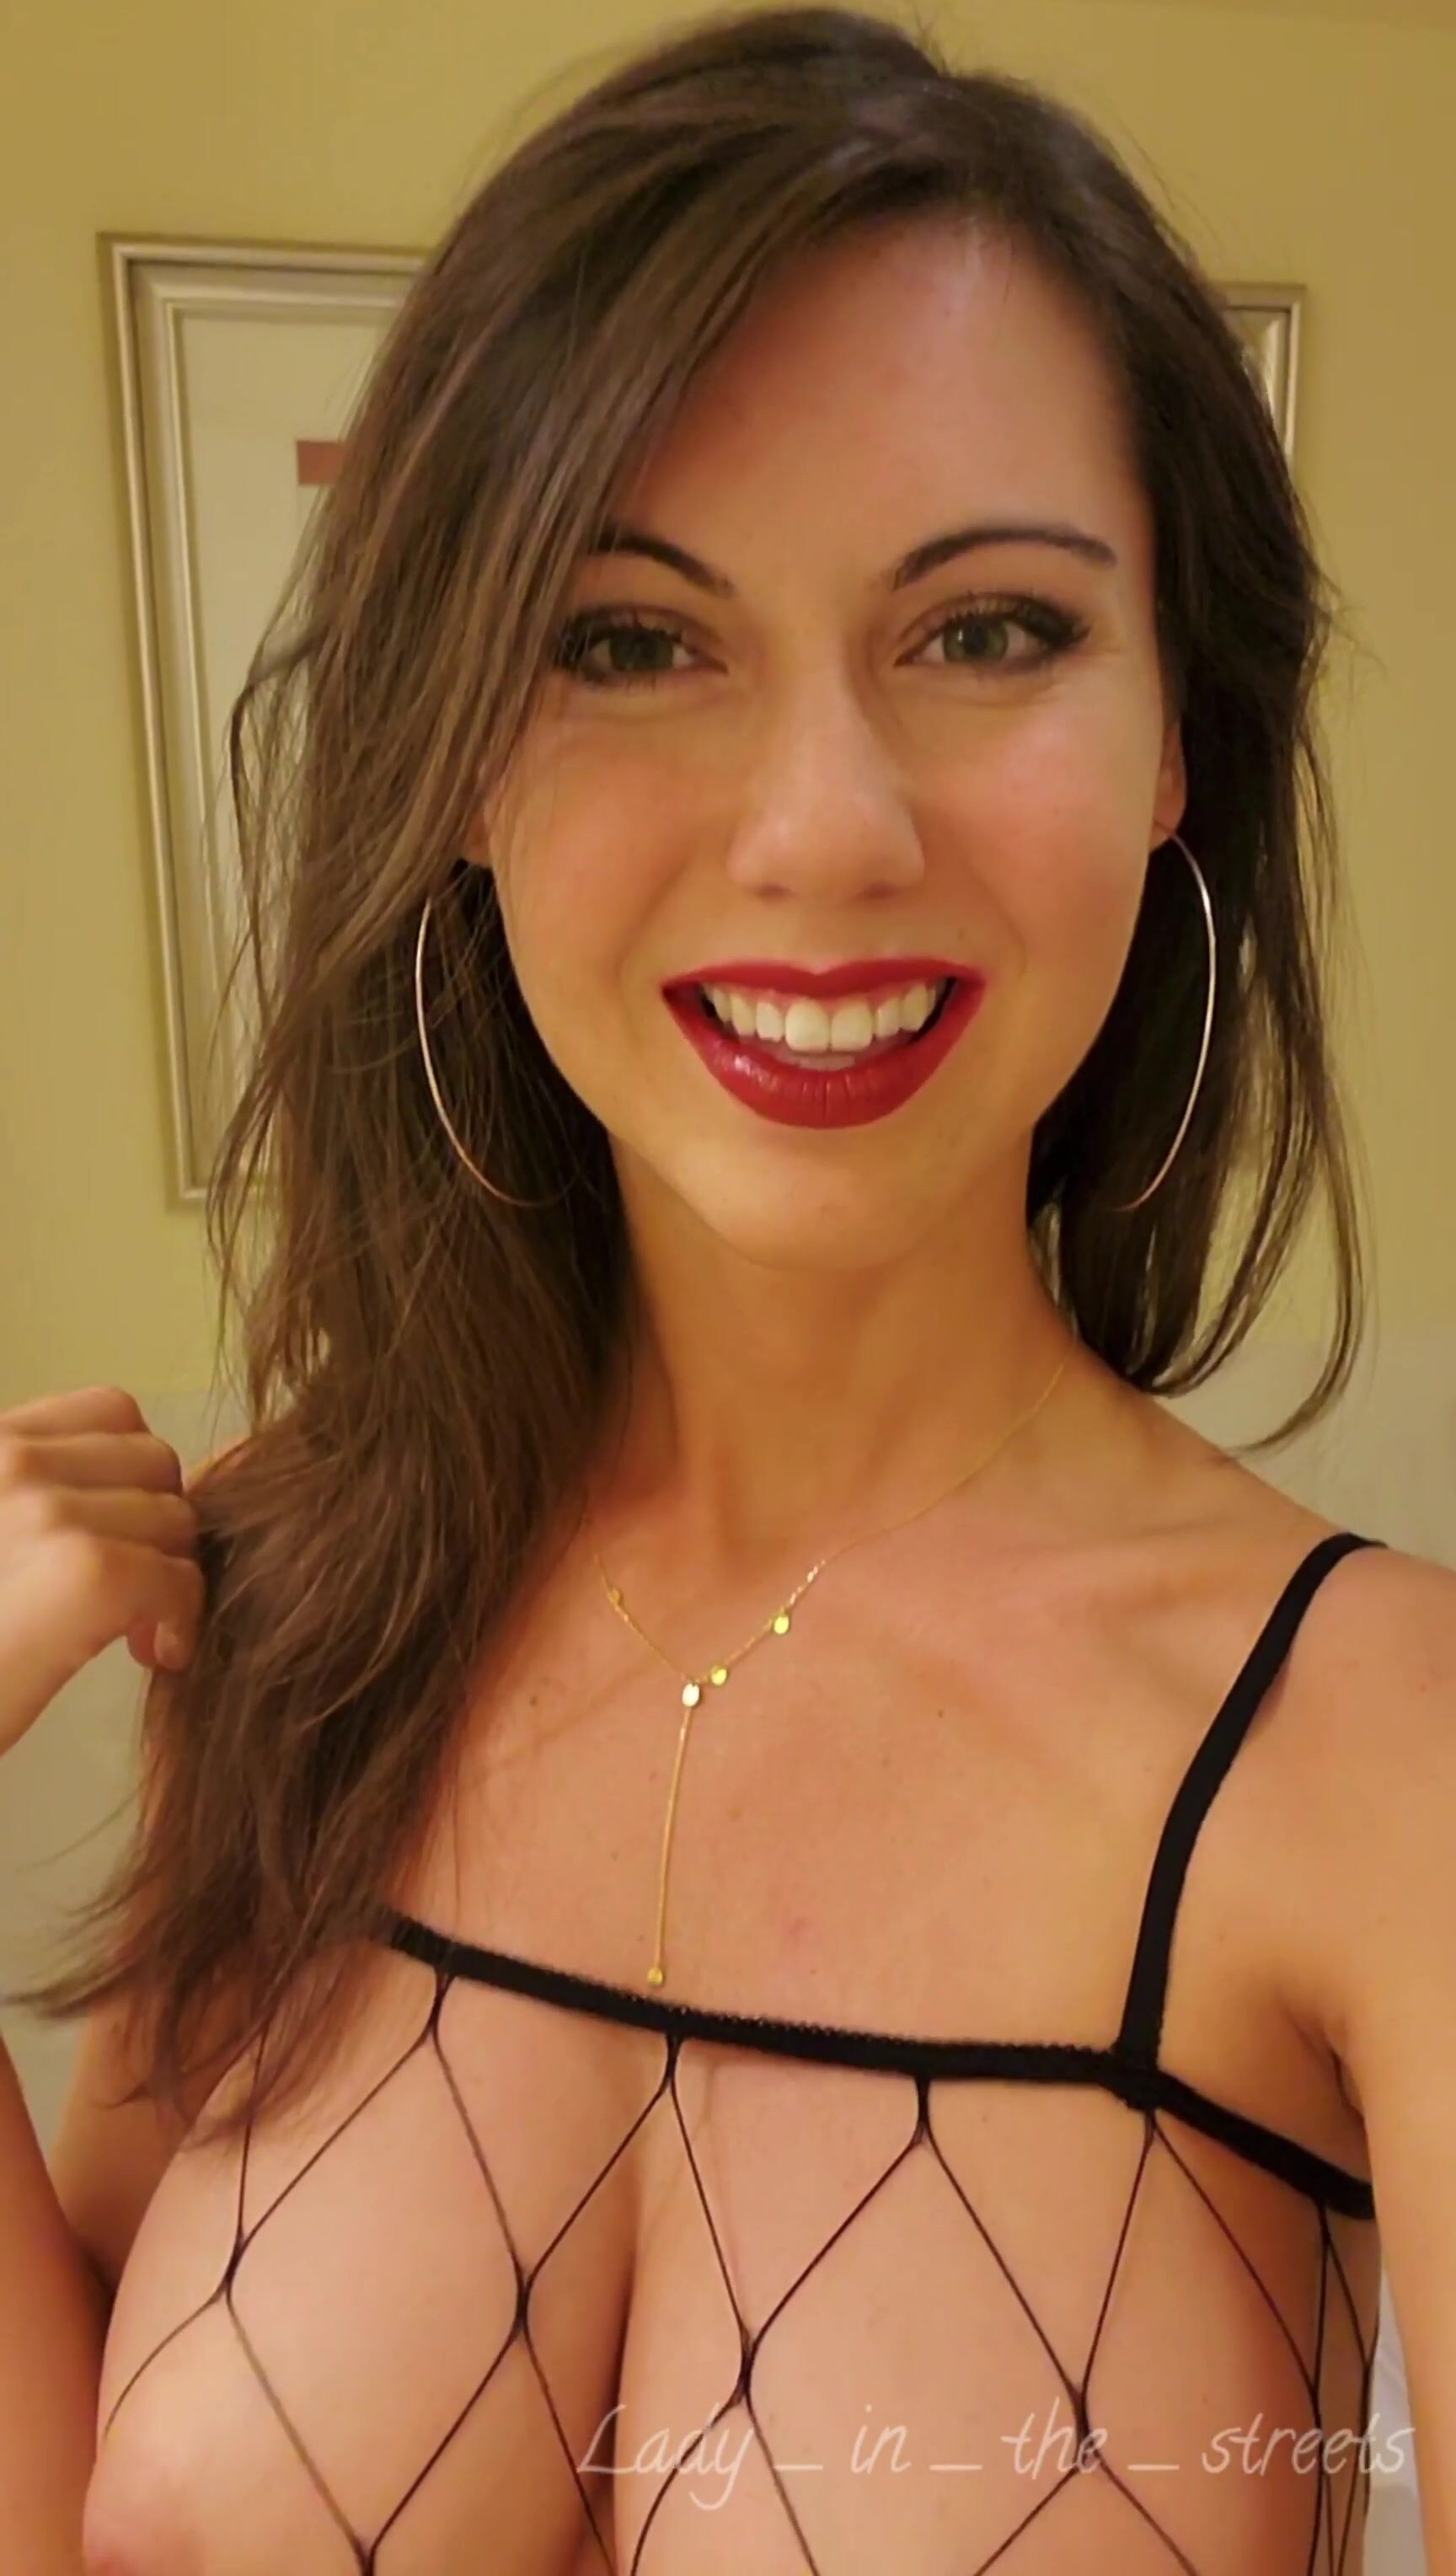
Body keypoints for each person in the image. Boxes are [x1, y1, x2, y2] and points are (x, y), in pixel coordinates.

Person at [1, 5, 1452, 2569]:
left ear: (1176, 739)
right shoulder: (302, 1583)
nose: (822, 829)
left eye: (987, 631)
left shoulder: (1382, 1768)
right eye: (628, 639)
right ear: (458, 752)